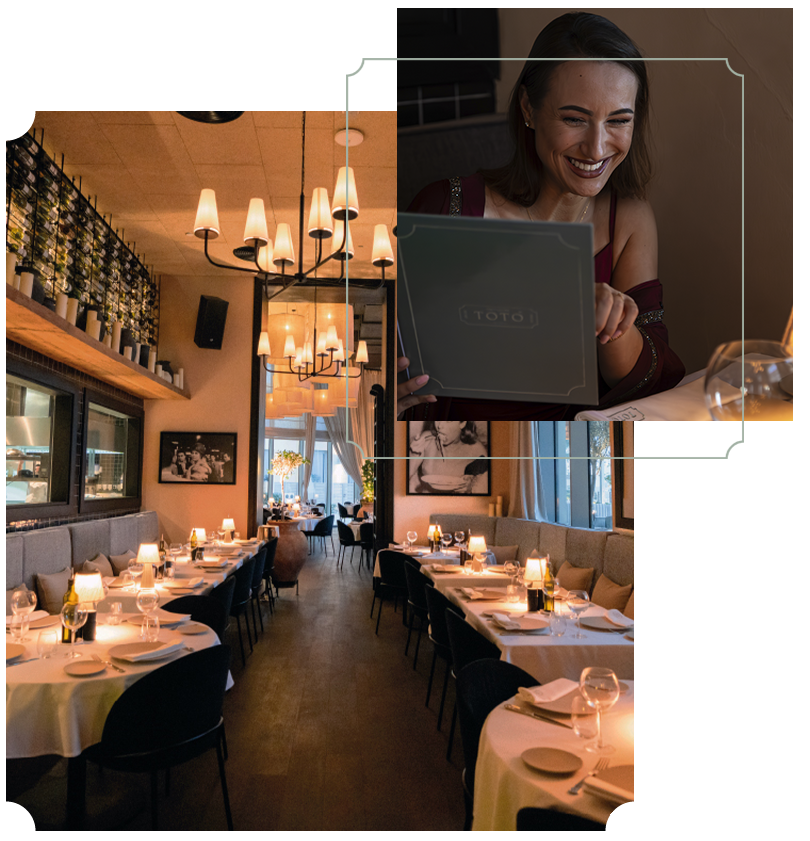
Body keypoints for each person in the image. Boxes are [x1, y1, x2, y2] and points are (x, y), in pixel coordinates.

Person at [398, 11, 685, 420]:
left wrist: (607, 325)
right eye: (574, 119)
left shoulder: (630, 218)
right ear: (529, 109)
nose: (597, 147)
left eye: (619, 120)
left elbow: (648, 378)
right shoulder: (448, 206)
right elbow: (393, 357)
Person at [408, 421, 489, 494]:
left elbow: (486, 487)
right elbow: (402, 480)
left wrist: (471, 487)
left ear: (462, 423)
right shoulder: (426, 440)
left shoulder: (477, 450)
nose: (440, 426)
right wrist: (414, 454)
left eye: (447, 421)